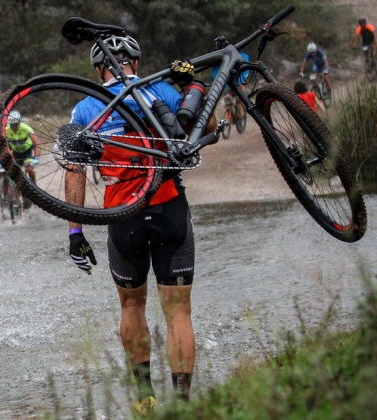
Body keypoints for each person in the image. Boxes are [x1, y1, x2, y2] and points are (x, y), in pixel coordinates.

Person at [64, 34, 215, 414]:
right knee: (178, 311)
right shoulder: (160, 88)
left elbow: (74, 174)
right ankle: (181, 404)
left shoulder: (85, 109)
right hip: (168, 207)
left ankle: (145, 398)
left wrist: (75, 232)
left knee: (132, 306)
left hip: (122, 217)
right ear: (136, 61)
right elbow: (208, 123)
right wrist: (192, 84)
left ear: (99, 69)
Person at [4, 110, 41, 185]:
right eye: (12, 125)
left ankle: (34, 186)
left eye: (15, 125)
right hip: (16, 152)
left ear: (19, 122)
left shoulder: (26, 128)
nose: (14, 127)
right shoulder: (6, 130)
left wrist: (36, 158)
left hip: (28, 151)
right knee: (12, 173)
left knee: (29, 169)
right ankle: (15, 194)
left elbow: (37, 144)